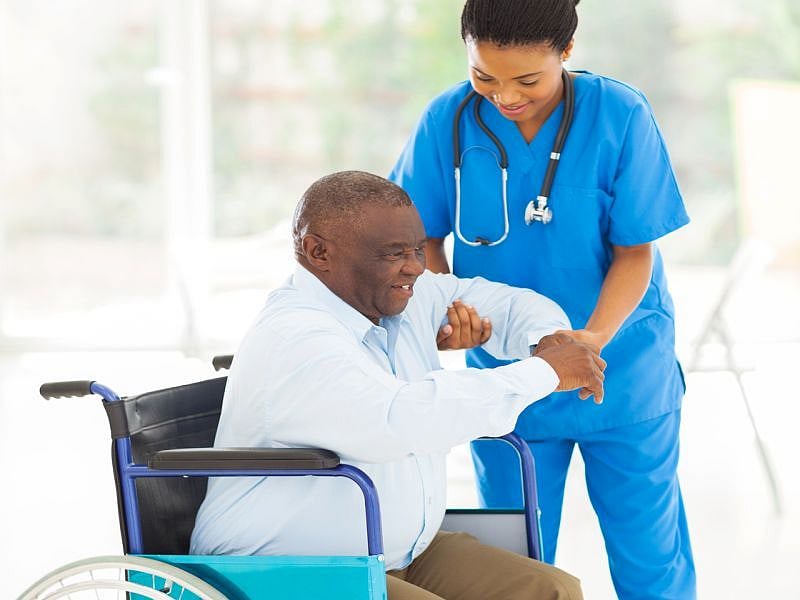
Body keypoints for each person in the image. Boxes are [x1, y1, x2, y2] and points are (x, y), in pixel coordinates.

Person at [388, 1, 696, 598]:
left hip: (625, 371)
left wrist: (591, 340)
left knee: (650, 557)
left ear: (567, 51)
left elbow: (636, 252)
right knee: (514, 559)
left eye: (527, 79)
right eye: (485, 76)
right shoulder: (446, 121)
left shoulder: (620, 114)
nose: (504, 96)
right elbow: (416, 235)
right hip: (510, 380)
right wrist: (446, 306)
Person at [191, 170, 606, 600]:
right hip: (289, 566)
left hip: (397, 552)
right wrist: (546, 371)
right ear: (319, 252)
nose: (415, 266)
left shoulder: (400, 298)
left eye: (417, 249)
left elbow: (507, 302)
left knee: (552, 590)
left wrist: (549, 340)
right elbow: (401, 418)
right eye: (393, 253)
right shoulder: (298, 338)